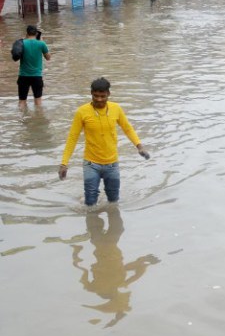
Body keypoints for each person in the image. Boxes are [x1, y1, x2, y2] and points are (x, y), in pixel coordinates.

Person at [59, 77, 150, 206]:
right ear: (91, 93)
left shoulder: (116, 109)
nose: (99, 100)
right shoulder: (82, 112)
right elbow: (72, 138)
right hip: (91, 164)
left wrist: (139, 146)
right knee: (90, 203)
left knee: (113, 201)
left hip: (112, 164)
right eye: (95, 96)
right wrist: (64, 163)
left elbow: (127, 128)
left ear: (108, 94)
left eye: (102, 96)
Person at [17, 24, 51, 108]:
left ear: (27, 33)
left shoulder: (22, 43)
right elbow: (48, 58)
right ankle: (38, 119)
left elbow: (16, 56)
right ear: (36, 33)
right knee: (38, 101)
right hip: (37, 76)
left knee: (22, 101)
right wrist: (42, 42)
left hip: (23, 76)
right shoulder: (41, 44)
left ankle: (21, 119)